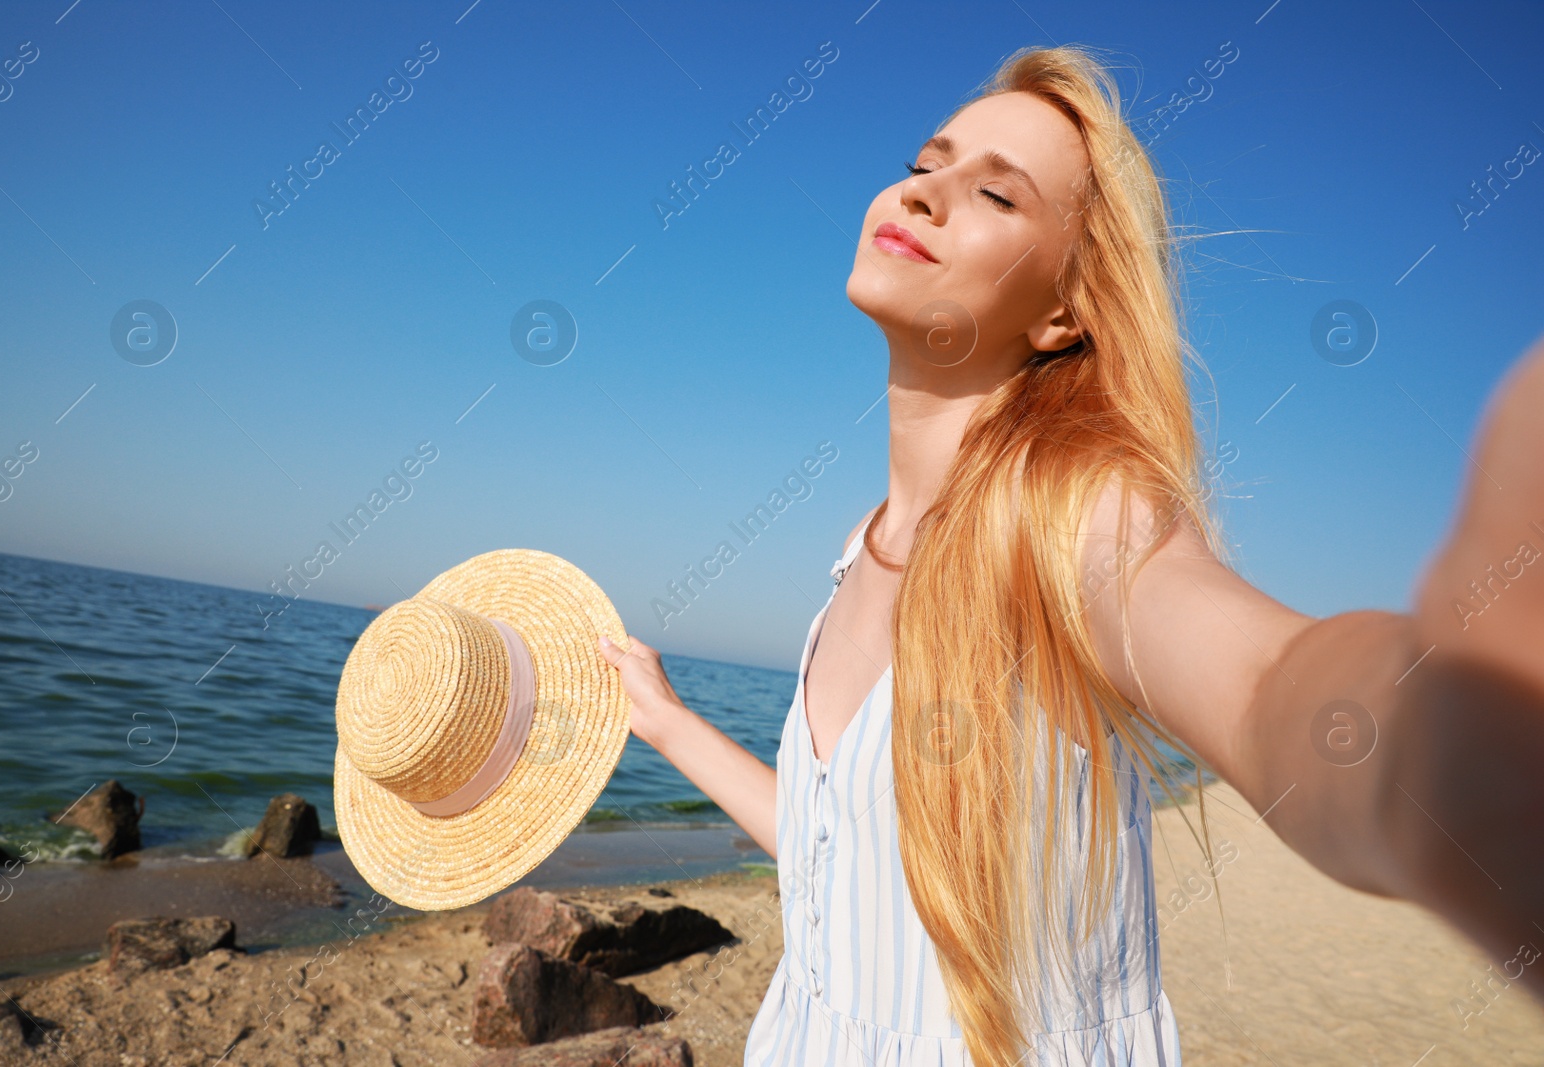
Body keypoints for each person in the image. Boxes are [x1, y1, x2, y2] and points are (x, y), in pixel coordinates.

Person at [596, 42, 1544, 1066]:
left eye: (994, 195)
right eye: (925, 164)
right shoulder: (858, 546)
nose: (924, 196)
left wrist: (1444, 733)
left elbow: (1268, 682)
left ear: (1062, 310)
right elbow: (842, 865)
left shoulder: (1074, 515)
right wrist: (670, 721)